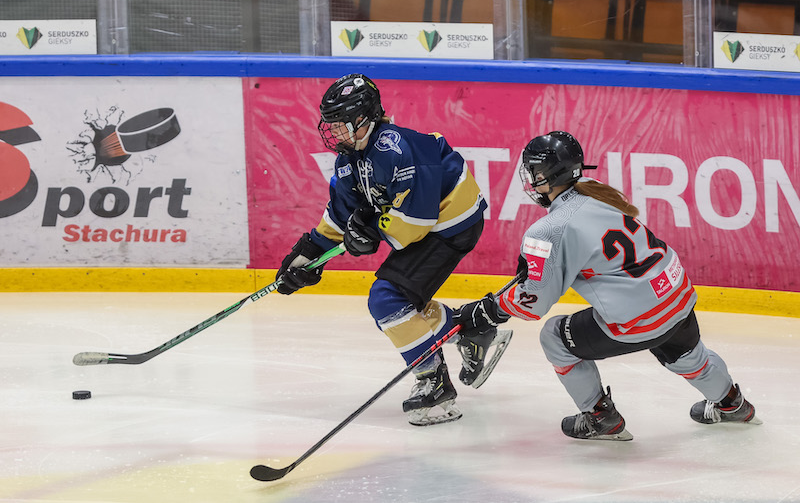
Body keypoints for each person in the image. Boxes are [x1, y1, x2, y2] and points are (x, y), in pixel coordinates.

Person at [452, 130, 761, 440]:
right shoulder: (596, 190)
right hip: (676, 291)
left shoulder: (547, 230)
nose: (531, 178)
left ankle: (599, 417)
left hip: (641, 314)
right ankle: (733, 404)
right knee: (690, 355)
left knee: (554, 337)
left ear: (546, 175)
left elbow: (535, 303)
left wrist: (490, 310)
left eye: (534, 171)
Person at [275, 73, 511, 426]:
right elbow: (339, 218)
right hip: (425, 228)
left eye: (340, 125)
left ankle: (434, 384)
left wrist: (369, 232)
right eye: (331, 126)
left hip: (451, 224)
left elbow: (415, 222)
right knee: (399, 309)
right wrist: (306, 256)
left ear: (362, 118)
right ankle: (468, 326)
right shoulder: (350, 160)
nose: (333, 134)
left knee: (388, 300)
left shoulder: (396, 147)